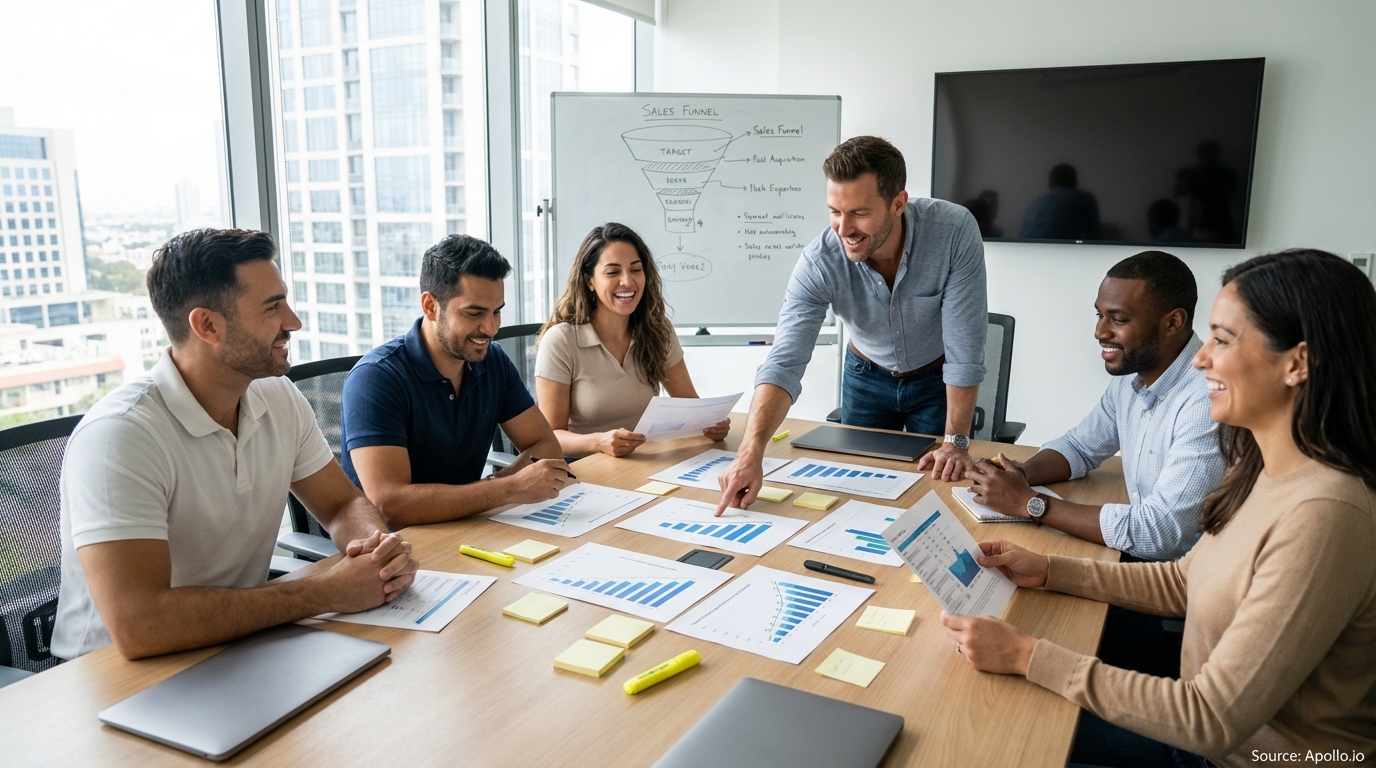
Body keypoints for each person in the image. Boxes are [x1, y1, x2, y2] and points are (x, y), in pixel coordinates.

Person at [941, 249, 1376, 766]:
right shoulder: (1265, 468)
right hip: (1202, 735)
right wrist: (1047, 569)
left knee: (991, 742)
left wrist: (1026, 655)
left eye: (1222, 340)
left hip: (1244, 755)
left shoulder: (1325, 514)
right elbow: (1182, 581)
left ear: (1298, 364)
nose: (1200, 358)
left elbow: (1211, 719)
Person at [51, 229, 419, 661]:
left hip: (235, 644)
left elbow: (340, 506)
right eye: (272, 307)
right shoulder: (121, 436)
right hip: (117, 678)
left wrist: (377, 552)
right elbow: (140, 623)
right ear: (207, 325)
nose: (293, 322)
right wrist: (321, 593)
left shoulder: (276, 395)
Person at [715, 136, 989, 515]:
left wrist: (956, 440)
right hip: (866, 377)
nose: (844, 228)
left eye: (859, 213)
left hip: (936, 381)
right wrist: (750, 454)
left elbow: (964, 346)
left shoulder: (953, 230)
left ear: (898, 203)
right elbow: (785, 361)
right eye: (834, 212)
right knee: (859, 495)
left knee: (938, 490)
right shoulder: (819, 261)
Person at [967, 251, 1226, 563]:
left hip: (1182, 580)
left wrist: (1030, 503)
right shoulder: (1132, 377)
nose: (1100, 332)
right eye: (1099, 316)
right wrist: (1019, 473)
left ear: (1173, 322)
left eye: (1118, 319)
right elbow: (1079, 447)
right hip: (1142, 558)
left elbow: (1160, 534)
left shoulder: (1208, 400)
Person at [341, 234, 571, 526]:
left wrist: (492, 489)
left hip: (468, 526)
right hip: (399, 549)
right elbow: (390, 504)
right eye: (474, 313)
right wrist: (507, 488)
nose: (490, 328)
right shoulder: (376, 379)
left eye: (496, 312)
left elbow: (545, 445)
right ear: (430, 306)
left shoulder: (493, 360)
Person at [534, 223, 729, 458]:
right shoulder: (561, 341)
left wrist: (711, 424)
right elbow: (550, 436)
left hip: (645, 461)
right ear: (589, 281)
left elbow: (690, 405)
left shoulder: (658, 330)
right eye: (613, 272)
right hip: (585, 467)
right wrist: (599, 442)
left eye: (635, 270)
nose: (627, 281)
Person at [1018, 163, 1102, 241]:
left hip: (1025, 252)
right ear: (1074, 180)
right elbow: (1093, 237)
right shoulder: (1085, 198)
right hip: (1061, 252)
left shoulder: (1035, 205)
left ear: (1051, 183)